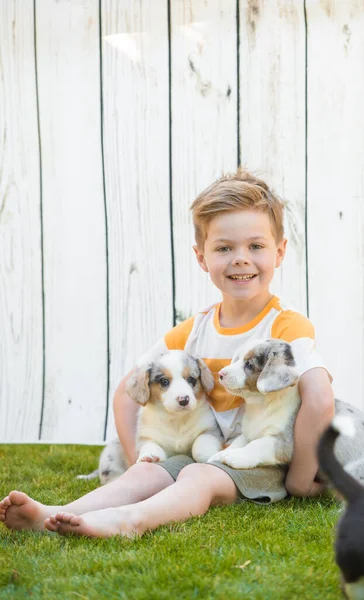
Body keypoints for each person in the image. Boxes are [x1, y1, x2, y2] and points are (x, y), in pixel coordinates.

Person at [0, 170, 334, 538]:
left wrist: (300, 481)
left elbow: (319, 399)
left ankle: (129, 521)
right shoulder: (194, 329)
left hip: (260, 458)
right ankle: (53, 515)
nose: (241, 259)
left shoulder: (287, 327)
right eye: (224, 248)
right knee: (149, 472)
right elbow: (129, 391)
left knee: (198, 475)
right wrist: (140, 455)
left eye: (256, 246)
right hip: (199, 451)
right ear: (201, 257)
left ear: (280, 251)